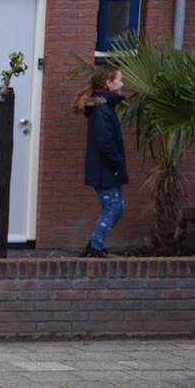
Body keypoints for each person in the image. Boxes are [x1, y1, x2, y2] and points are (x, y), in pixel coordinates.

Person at [73, 65, 128, 258]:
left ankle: (95, 243)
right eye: (119, 79)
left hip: (108, 168)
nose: (122, 83)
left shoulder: (105, 107)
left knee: (118, 209)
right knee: (113, 208)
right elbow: (105, 142)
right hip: (105, 169)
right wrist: (117, 162)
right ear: (109, 83)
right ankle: (95, 247)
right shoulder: (101, 110)